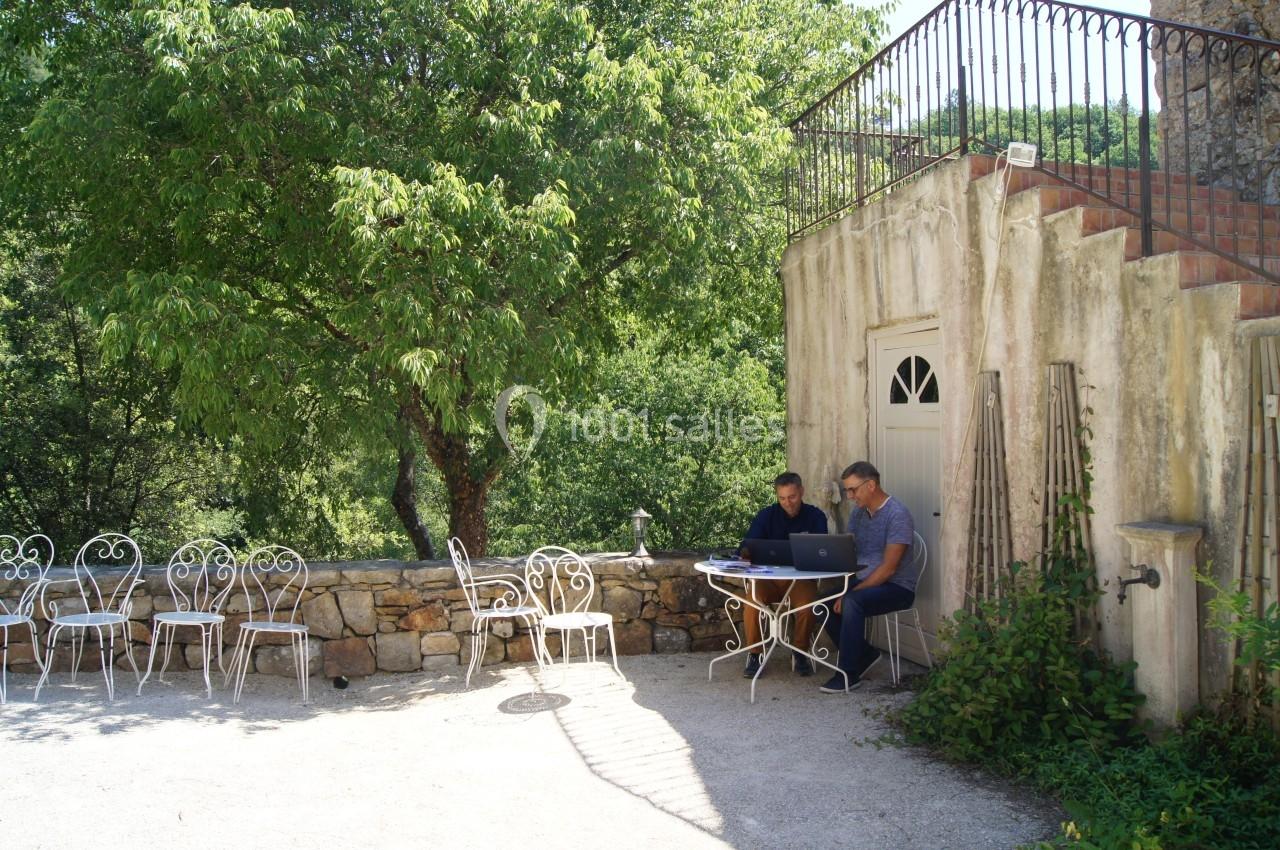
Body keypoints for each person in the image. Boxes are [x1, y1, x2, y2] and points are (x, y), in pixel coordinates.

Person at [820, 461, 918, 693]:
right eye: (847, 491)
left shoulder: (898, 515)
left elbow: (889, 569)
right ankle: (865, 655)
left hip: (897, 587)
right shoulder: (859, 514)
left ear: (871, 485)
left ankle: (848, 674)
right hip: (865, 583)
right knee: (820, 604)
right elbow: (850, 550)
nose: (850, 496)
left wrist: (851, 592)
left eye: (853, 490)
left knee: (852, 602)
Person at [738, 471, 830, 678]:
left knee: (807, 605)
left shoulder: (815, 516)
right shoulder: (766, 515)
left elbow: (822, 549)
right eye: (782, 498)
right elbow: (747, 544)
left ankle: (799, 652)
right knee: (752, 601)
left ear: (802, 492)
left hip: (800, 579)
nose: (787, 502)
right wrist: (745, 553)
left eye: (792, 497)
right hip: (767, 578)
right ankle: (755, 654)